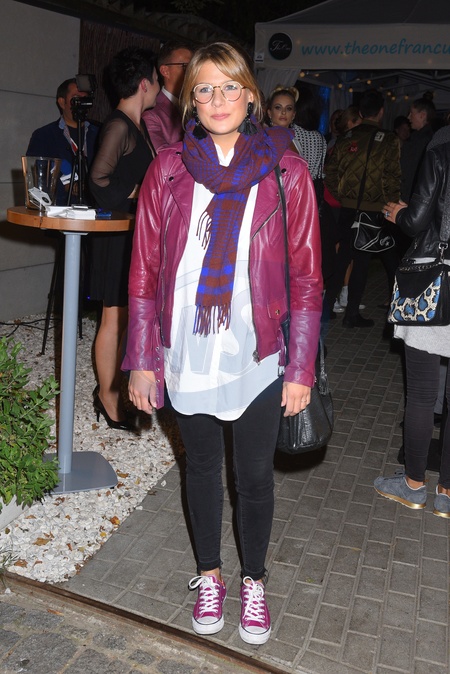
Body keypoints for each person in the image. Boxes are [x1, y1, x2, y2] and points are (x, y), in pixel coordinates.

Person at [122, 41, 322, 644]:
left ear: (250, 97)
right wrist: (142, 358)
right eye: (204, 88)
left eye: (229, 86)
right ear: (190, 99)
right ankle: (210, 576)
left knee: (254, 476)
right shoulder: (168, 169)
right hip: (186, 349)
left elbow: (307, 277)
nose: (217, 99)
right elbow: (143, 271)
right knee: (203, 468)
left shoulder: (286, 171)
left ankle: (253, 581)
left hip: (258, 352)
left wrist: (301, 367)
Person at [374, 125, 450, 517]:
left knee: (422, 392)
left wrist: (399, 213)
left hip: (436, 285)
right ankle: (447, 493)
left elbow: (417, 221)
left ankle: (414, 485)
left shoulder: (442, 148)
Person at [88, 47, 159, 430]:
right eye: (157, 80)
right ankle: (107, 396)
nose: (159, 87)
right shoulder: (119, 125)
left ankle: (115, 387)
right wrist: (138, 192)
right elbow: (98, 181)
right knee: (113, 317)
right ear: (144, 83)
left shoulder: (136, 125)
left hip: (133, 234)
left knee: (127, 315)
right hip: (116, 236)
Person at [323, 89, 401, 328]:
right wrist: (391, 205)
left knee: (342, 259)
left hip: (348, 209)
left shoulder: (346, 137)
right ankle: (351, 314)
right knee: (362, 261)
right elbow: (392, 177)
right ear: (381, 112)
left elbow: (330, 173)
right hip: (374, 210)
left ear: (359, 112)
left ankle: (325, 310)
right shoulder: (389, 139)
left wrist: (343, 196)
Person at [27, 78, 99, 205]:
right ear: (62, 102)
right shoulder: (44, 135)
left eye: (85, 98)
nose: (81, 103)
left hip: (96, 209)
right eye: (76, 98)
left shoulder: (101, 133)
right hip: (60, 211)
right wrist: (69, 187)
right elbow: (38, 179)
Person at [142, 40, 193, 152]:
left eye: (193, 68)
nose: (191, 73)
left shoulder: (197, 105)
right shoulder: (152, 114)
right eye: (185, 67)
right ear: (165, 71)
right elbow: (164, 155)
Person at [400, 94, 436, 202]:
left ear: (422, 115)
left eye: (411, 113)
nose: (408, 117)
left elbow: (408, 171)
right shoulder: (432, 138)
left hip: (410, 197)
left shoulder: (420, 140)